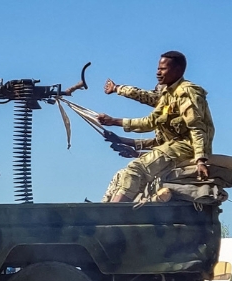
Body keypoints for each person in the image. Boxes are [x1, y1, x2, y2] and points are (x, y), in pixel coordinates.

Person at [92, 51, 215, 203]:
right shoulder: (168, 94)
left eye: (162, 69)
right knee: (122, 175)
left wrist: (201, 159)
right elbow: (150, 120)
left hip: (186, 146)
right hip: (173, 147)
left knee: (135, 169)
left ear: (177, 71)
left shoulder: (186, 92)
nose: (157, 72)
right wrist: (118, 96)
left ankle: (113, 216)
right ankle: (104, 210)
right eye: (158, 68)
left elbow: (197, 127)